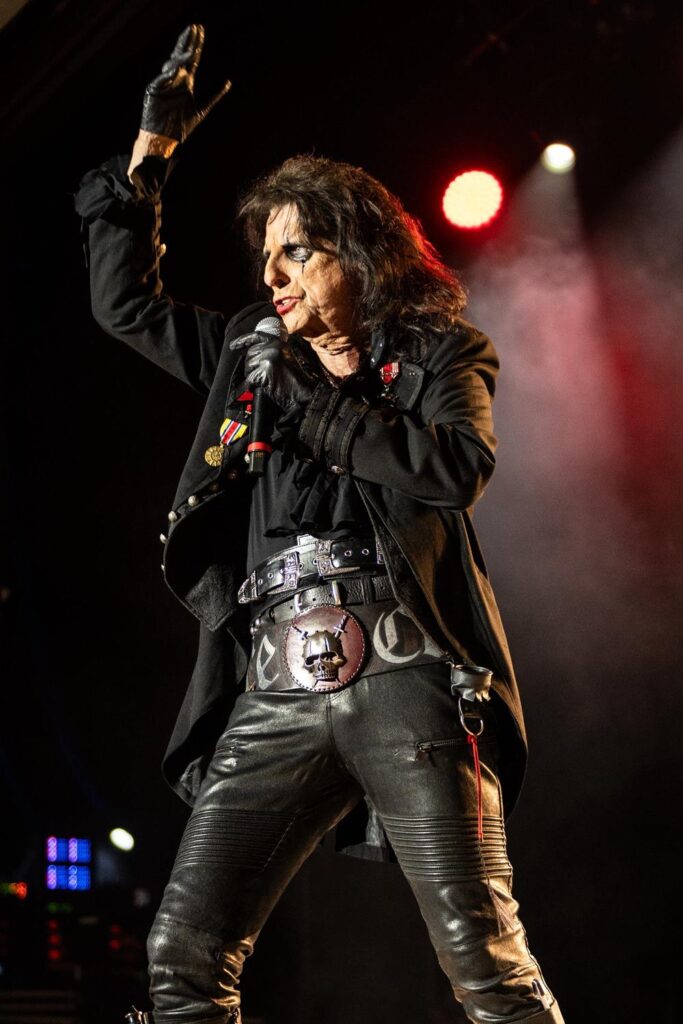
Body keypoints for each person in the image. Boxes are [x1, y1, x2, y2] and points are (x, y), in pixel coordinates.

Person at [74, 24, 564, 1024]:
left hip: (406, 677)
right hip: (272, 689)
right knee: (182, 958)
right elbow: (124, 304)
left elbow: (453, 469)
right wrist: (149, 155)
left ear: (360, 249)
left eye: (294, 249)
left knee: (483, 959)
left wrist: (307, 404)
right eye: (264, 257)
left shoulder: (439, 355)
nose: (273, 276)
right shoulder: (245, 357)